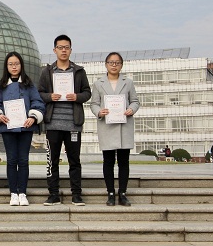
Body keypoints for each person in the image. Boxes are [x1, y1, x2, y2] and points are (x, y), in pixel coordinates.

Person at [38, 35, 91, 206]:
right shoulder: (46, 72)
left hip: (73, 123)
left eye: (66, 47)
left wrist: (76, 96)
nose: (63, 50)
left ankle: (76, 194)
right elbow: (39, 93)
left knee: (74, 160)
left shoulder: (79, 71)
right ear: (54, 50)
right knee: (52, 160)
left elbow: (87, 93)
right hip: (52, 123)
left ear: (70, 50)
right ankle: (53, 194)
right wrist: (49, 96)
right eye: (60, 47)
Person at [0, 51, 45, 206]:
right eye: (10, 64)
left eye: (17, 63)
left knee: (24, 160)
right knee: (12, 160)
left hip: (25, 128)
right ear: (6, 66)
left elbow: (38, 103)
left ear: (21, 65)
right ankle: (14, 193)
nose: (14, 67)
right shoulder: (0, 86)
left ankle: (23, 193)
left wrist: (32, 117)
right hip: (8, 128)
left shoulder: (29, 84)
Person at [90, 52, 140, 207]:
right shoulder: (99, 84)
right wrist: (99, 111)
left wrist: (131, 109)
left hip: (124, 126)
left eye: (117, 62)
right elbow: (93, 104)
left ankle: (123, 193)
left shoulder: (128, 82)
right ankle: (111, 193)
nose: (114, 65)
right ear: (106, 64)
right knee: (108, 161)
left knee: (124, 161)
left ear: (121, 65)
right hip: (107, 126)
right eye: (111, 62)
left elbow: (135, 101)